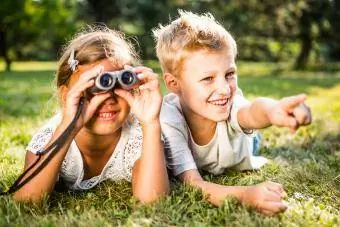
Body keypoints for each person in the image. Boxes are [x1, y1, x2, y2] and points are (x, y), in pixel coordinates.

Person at [153, 11, 312, 215]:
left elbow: (252, 112)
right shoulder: (168, 119)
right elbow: (193, 183)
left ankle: (252, 136)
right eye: (208, 78)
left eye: (229, 74)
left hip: (241, 144)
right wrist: (246, 196)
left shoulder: (230, 105)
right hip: (217, 149)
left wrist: (274, 110)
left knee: (252, 134)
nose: (224, 89)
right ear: (174, 84)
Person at [13, 26, 169, 203]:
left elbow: (152, 201)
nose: (108, 98)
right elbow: (26, 201)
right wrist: (68, 128)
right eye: (94, 87)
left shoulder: (139, 136)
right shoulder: (50, 137)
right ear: (67, 95)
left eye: (119, 84)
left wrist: (151, 124)